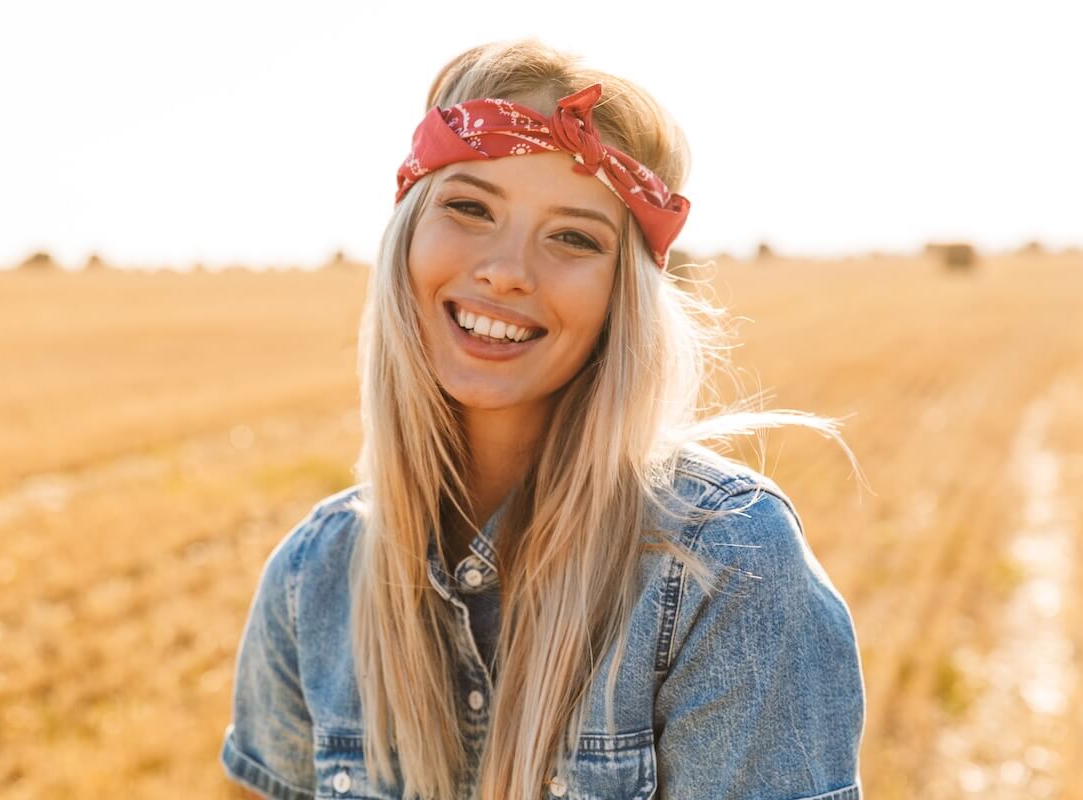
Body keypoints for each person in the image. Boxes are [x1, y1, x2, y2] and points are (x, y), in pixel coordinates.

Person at [220, 37, 867, 800]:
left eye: (572, 238)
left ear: (622, 296)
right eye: (468, 207)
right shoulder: (312, 580)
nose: (506, 270)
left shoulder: (723, 567)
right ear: (407, 236)